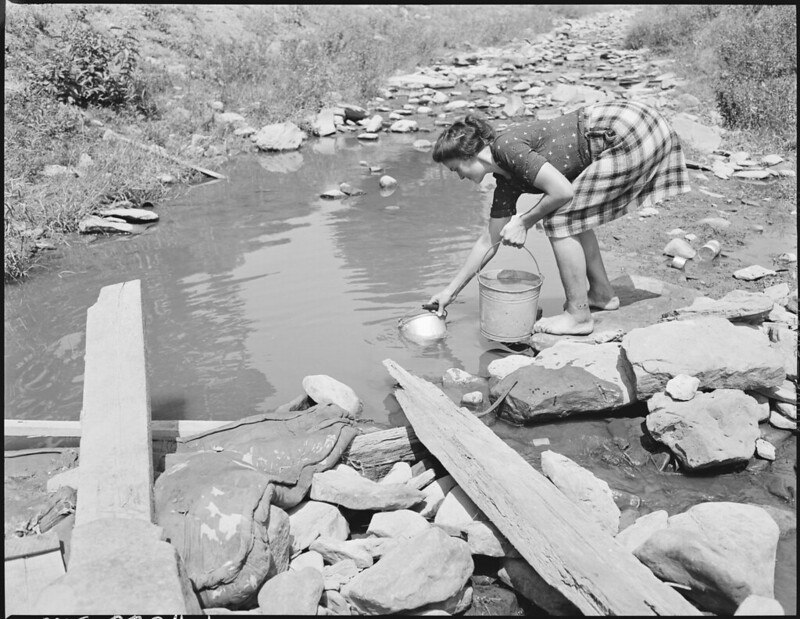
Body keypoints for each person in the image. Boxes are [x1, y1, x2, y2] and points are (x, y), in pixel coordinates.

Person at [427, 99, 690, 336]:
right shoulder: (506, 182)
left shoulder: (506, 147)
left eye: (456, 168)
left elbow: (562, 191)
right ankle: (602, 294)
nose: (459, 176)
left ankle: (578, 315)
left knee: (558, 219)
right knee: (572, 214)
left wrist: (525, 221)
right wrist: (449, 292)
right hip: (634, 125)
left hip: (629, 129)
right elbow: (488, 243)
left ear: (467, 154)